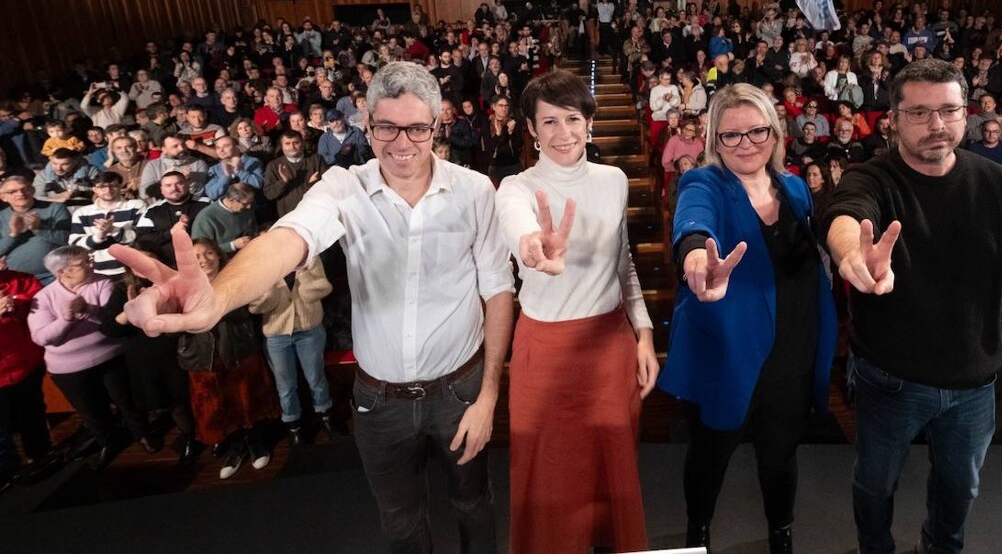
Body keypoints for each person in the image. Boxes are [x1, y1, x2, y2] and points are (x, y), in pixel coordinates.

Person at [112, 61, 514, 554]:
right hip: (379, 401)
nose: (402, 141)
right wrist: (218, 296)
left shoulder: (474, 192)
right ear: (368, 125)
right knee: (401, 521)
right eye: (387, 126)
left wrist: (489, 395)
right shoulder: (344, 186)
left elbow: (498, 290)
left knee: (473, 502)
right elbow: (288, 240)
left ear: (436, 126)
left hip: (460, 391)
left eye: (416, 127)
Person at [823, 58, 1002, 554]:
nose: (936, 126)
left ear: (966, 114)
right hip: (889, 379)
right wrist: (852, 256)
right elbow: (847, 215)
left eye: (948, 111)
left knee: (958, 491)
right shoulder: (871, 177)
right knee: (874, 486)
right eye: (920, 113)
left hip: (975, 382)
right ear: (893, 119)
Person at [659, 83, 837, 554]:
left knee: (780, 457)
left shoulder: (796, 187)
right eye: (732, 136)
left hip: (792, 354)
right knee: (710, 456)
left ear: (775, 134)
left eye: (757, 131)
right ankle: (698, 533)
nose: (747, 144)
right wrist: (696, 258)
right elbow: (693, 224)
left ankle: (782, 534)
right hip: (729, 353)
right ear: (715, 140)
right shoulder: (704, 183)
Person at [494, 69, 656, 552]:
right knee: (547, 479)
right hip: (543, 351)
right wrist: (535, 250)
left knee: (614, 475)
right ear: (531, 130)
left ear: (589, 121)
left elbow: (623, 261)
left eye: (571, 119)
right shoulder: (515, 189)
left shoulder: (614, 180)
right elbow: (520, 231)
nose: (562, 133)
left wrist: (643, 332)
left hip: (610, 347)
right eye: (548, 123)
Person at [27, 247, 157, 469]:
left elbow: (111, 322)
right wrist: (67, 319)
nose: (91, 265)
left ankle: (142, 433)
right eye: (83, 263)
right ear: (62, 272)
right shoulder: (44, 297)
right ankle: (107, 441)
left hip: (110, 355)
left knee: (126, 400)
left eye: (89, 259)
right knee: (91, 410)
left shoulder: (102, 283)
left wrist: (87, 311)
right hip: (68, 368)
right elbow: (42, 338)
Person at [177, 237, 279, 479]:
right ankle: (235, 448)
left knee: (248, 400)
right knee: (218, 406)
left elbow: (248, 309)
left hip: (238, 349)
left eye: (208, 253)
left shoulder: (235, 276)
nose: (203, 260)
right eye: (196, 256)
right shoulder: (181, 286)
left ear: (218, 255)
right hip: (204, 357)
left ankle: (256, 444)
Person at [249, 256, 342, 446]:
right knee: (285, 385)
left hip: (309, 330)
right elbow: (256, 306)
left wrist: (303, 272)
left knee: (316, 377)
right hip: (277, 335)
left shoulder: (310, 258)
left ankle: (325, 415)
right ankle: (293, 424)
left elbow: (316, 292)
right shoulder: (260, 265)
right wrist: (271, 283)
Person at [0, 259, 52, 490]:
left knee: (33, 413)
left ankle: (40, 456)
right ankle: (7, 472)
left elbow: (38, 301)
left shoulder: (19, 279)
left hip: (26, 364)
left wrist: (16, 305)